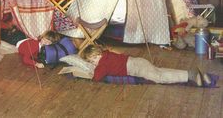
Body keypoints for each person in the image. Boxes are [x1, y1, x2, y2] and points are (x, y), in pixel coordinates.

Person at [82, 45, 211, 86]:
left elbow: (97, 77)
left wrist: (91, 73)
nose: (94, 62)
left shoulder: (103, 63)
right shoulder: (106, 54)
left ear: (99, 54)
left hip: (136, 68)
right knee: (160, 71)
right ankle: (192, 73)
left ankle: (190, 75)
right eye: (92, 61)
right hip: (137, 61)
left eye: (94, 59)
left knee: (159, 78)